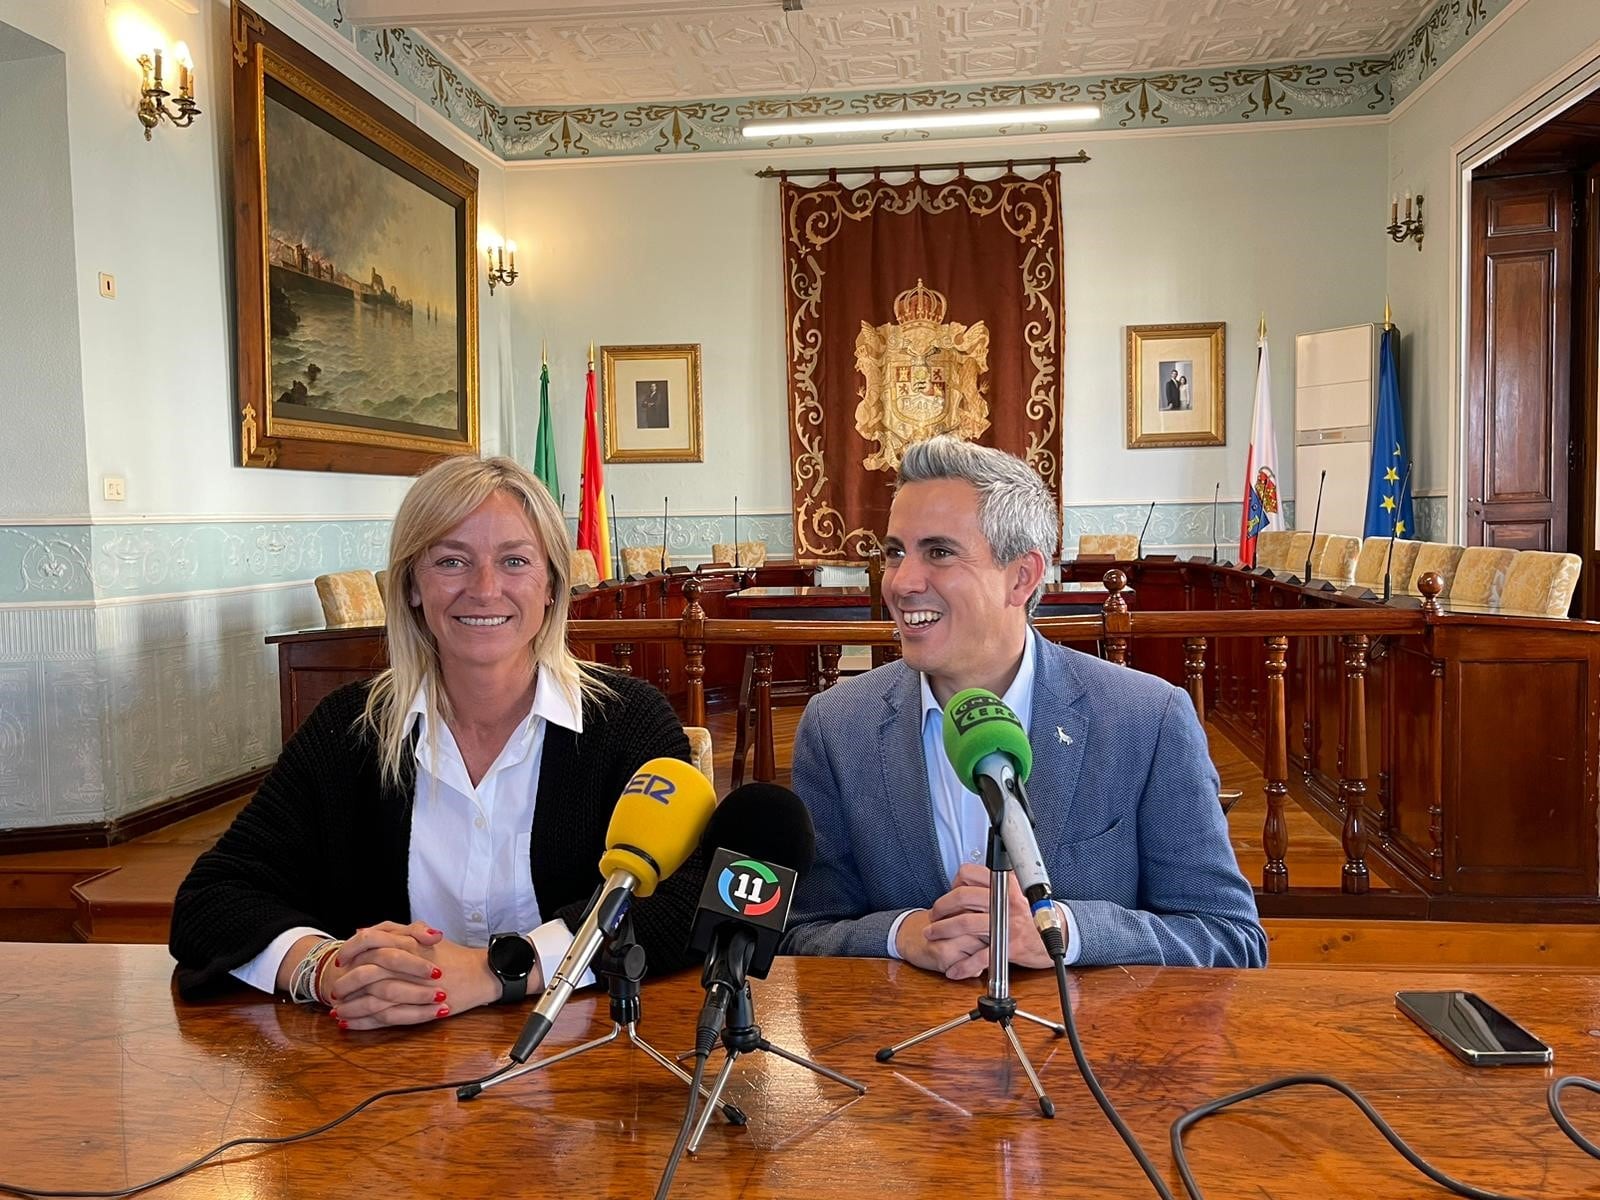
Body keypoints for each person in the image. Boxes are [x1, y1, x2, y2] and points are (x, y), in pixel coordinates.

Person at [170, 455, 700, 1029]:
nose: (484, 589)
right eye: (452, 561)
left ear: (551, 584)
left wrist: (496, 970)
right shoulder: (348, 731)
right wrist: (325, 968)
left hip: (582, 1063)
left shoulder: (628, 722)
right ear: (413, 586)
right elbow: (212, 898)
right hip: (380, 1070)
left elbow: (684, 899)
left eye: (515, 561)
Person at [782, 436, 1265, 974]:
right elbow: (804, 931)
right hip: (894, 1049)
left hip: (1084, 1048)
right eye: (895, 552)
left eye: (938, 552)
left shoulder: (1146, 719)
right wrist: (901, 935)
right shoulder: (836, 726)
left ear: (1022, 576)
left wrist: (1062, 930)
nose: (901, 581)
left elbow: (1229, 939)